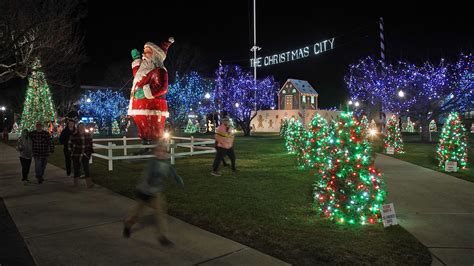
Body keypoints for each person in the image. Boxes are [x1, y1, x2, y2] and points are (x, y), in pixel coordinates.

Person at [123, 142, 184, 246]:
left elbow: (172, 172)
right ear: (155, 152)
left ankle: (162, 237)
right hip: (144, 192)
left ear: (166, 152)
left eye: (163, 151)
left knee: (161, 213)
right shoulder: (153, 163)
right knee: (136, 214)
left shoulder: (167, 163)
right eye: (158, 151)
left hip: (156, 192)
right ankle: (128, 225)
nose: (161, 153)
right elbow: (149, 176)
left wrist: (178, 180)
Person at [128, 37, 174, 141]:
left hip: (153, 106)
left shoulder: (160, 70)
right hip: (139, 105)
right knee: (142, 128)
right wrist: (136, 59)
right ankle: (146, 146)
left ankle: (155, 148)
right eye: (144, 52)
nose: (143, 54)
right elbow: (138, 75)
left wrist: (145, 92)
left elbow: (162, 87)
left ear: (155, 55)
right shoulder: (145, 68)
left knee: (153, 129)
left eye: (147, 52)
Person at [69, 123, 94, 188]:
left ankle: (89, 184)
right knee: (76, 169)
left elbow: (90, 145)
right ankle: (76, 184)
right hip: (76, 154)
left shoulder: (88, 135)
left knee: (86, 169)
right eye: (80, 127)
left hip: (85, 155)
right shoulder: (74, 135)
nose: (81, 128)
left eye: (82, 127)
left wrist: (89, 153)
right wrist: (71, 153)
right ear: (78, 128)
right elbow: (70, 145)